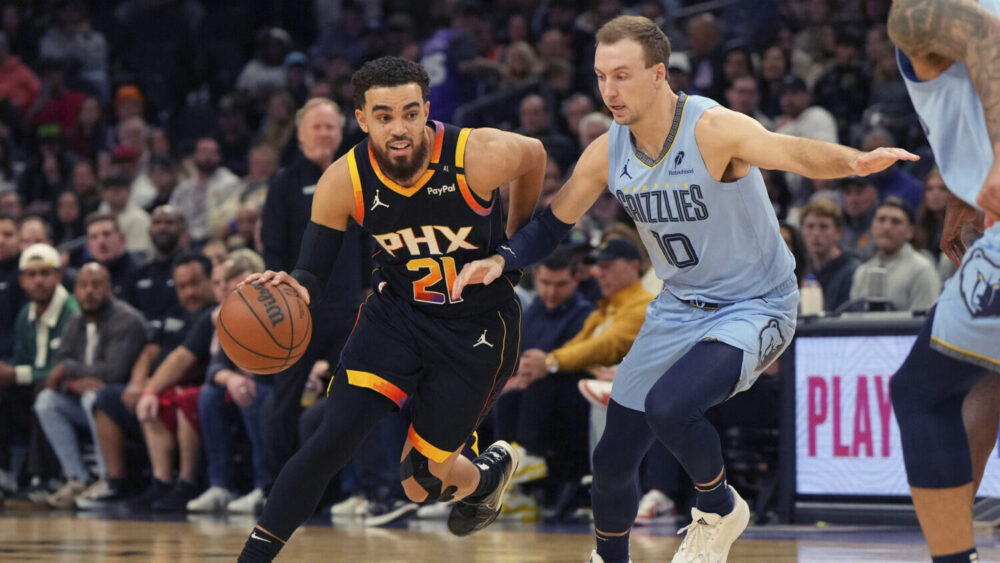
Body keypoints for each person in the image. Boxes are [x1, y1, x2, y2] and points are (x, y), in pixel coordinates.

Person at [450, 16, 917, 563]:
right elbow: (554, 223)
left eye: (622, 75)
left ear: (658, 74)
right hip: (677, 307)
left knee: (670, 407)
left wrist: (855, 162)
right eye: (601, 76)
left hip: (756, 303)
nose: (608, 90)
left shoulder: (712, 129)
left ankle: (718, 506)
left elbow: (789, 150)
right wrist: (501, 260)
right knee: (613, 459)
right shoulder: (608, 150)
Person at [236, 56, 546, 562]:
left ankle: (487, 476)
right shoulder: (345, 180)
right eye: (384, 116)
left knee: (421, 484)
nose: (399, 128)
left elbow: (534, 156)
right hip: (396, 317)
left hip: (477, 330)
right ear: (361, 119)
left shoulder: (477, 154)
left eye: (409, 113)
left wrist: (514, 245)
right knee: (327, 442)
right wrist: (291, 286)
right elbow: (312, 270)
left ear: (426, 109)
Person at [888, 1, 1000, 561]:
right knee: (981, 373)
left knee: (922, 392)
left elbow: (990, 41)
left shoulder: (913, 11)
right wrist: (961, 187)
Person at [33, 262, 146, 508]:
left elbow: (113, 372)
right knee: (46, 401)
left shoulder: (127, 319)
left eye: (96, 285)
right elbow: (58, 366)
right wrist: (73, 382)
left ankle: (109, 479)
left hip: (122, 404)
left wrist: (69, 371)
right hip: (86, 399)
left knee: (93, 396)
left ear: (110, 289)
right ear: (75, 290)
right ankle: (78, 478)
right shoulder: (75, 321)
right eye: (83, 285)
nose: (89, 291)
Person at [849, 197, 941, 311]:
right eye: (881, 220)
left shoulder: (922, 269)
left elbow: (924, 322)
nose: (887, 227)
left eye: (896, 221)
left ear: (910, 232)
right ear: (872, 227)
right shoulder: (862, 272)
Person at [800, 198, 861, 312]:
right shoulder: (800, 267)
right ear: (802, 231)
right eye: (810, 226)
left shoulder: (853, 271)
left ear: (839, 233)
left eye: (823, 227)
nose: (816, 234)